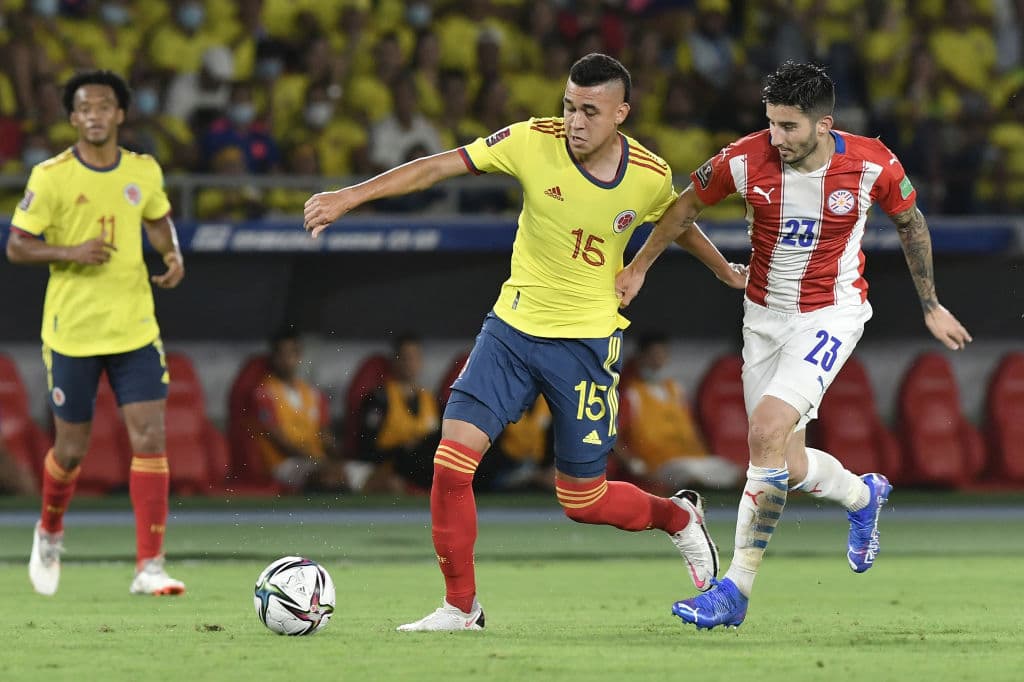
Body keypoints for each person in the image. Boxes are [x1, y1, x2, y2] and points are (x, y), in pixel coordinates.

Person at [304, 53, 748, 632]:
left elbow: (678, 221)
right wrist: (348, 197)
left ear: (621, 114)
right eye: (569, 106)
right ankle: (461, 608)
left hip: (585, 345)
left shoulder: (648, 173)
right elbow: (438, 166)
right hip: (510, 333)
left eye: (590, 111)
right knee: (450, 464)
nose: (575, 121)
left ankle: (678, 518)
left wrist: (717, 270)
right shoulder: (531, 140)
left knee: (582, 501)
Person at [616, 61, 973, 630]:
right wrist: (640, 267)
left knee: (764, 432)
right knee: (788, 462)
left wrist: (931, 304)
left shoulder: (871, 163)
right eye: (771, 123)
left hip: (832, 314)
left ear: (823, 124)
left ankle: (734, 590)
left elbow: (911, 223)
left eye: (788, 126)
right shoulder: (743, 159)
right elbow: (683, 209)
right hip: (763, 318)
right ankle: (862, 496)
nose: (776, 137)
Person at [6, 70, 188, 597]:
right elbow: (17, 245)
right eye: (84, 108)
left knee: (150, 437)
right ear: (73, 118)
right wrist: (70, 251)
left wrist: (172, 253)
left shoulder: (143, 170)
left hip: (134, 328)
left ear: (119, 114)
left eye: (103, 106)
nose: (94, 115)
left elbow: (157, 218)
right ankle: (49, 531)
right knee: (71, 450)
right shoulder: (51, 176)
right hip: (73, 333)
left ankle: (150, 565)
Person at [617, 332, 742, 492]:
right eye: (653, 356)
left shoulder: (676, 390)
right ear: (640, 357)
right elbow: (614, 439)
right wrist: (636, 466)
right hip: (662, 463)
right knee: (691, 478)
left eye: (662, 356)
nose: (657, 362)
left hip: (696, 458)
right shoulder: (631, 395)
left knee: (739, 475)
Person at [254, 327, 347, 493]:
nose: (287, 360)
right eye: (281, 354)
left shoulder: (313, 394)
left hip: (317, 460)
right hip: (284, 463)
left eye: (292, 353)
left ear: (299, 356)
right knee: (326, 476)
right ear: (273, 357)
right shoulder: (264, 393)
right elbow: (278, 439)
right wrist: (316, 460)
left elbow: (325, 435)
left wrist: (337, 459)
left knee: (368, 477)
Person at [353, 334, 439, 494]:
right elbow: (366, 447)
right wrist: (401, 449)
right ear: (395, 361)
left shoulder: (431, 400)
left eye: (415, 358)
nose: (410, 363)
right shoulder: (380, 398)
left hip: (425, 466)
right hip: (392, 465)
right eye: (405, 358)